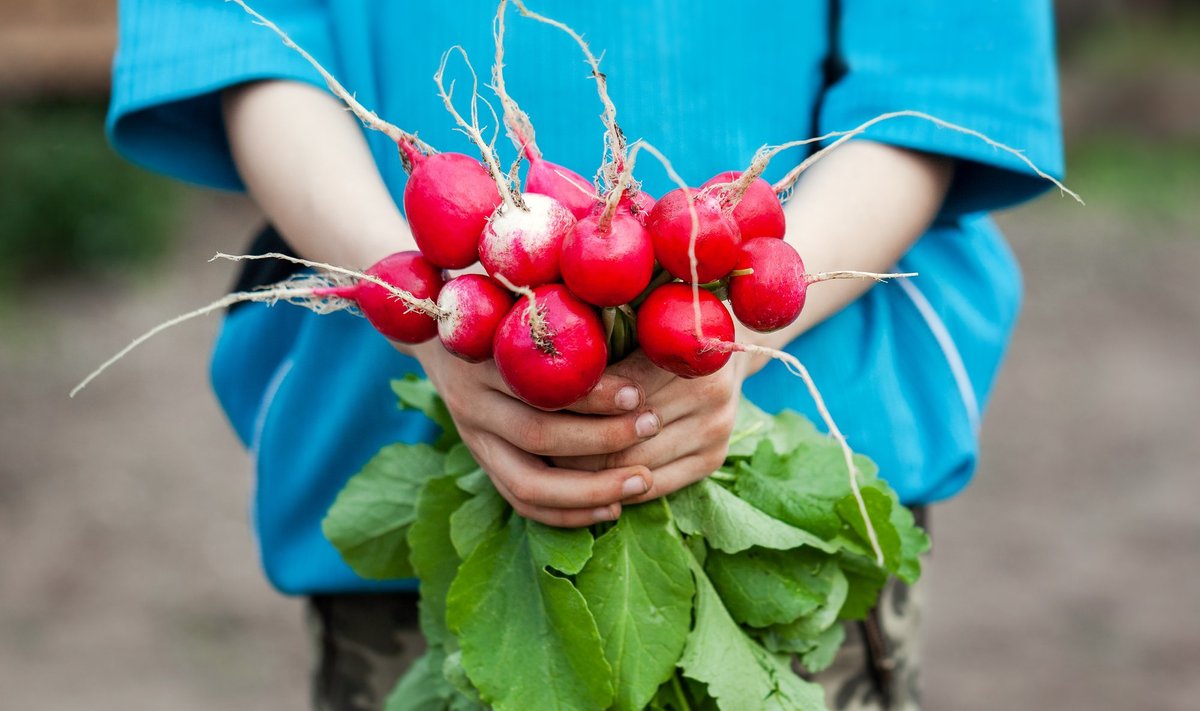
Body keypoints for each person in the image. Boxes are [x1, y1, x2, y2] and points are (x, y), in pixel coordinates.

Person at [107, 1, 1063, 708]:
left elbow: (940, 83)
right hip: (385, 430)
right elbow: (245, 38)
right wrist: (434, 312)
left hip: (820, 429)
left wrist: (739, 341)